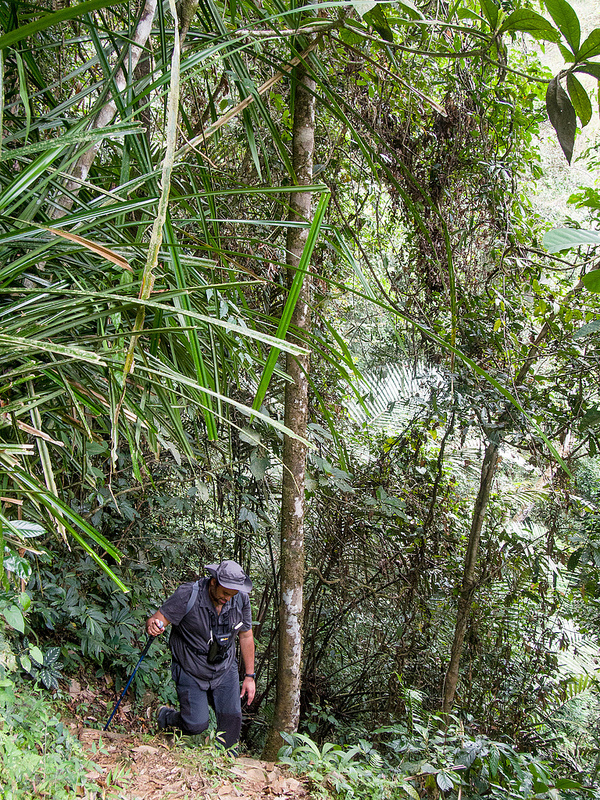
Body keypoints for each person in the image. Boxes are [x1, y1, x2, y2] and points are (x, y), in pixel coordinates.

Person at [146, 559, 255, 749]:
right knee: (196, 724)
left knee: (232, 724)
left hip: (224, 666)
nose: (228, 598)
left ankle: (225, 766)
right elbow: (157, 619)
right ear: (214, 582)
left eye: (233, 594)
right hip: (190, 667)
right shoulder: (188, 595)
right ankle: (165, 717)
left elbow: (246, 636)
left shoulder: (240, 599)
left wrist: (249, 676)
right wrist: (154, 626)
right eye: (225, 593)